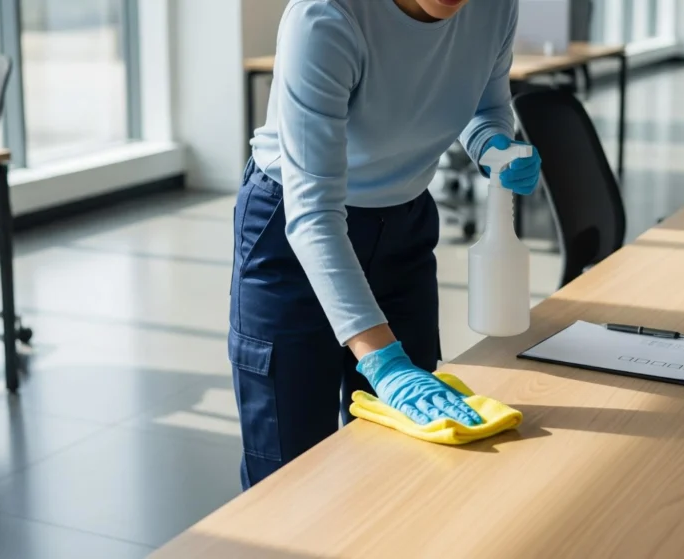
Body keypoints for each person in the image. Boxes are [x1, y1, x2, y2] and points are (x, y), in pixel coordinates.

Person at [229, 0, 541, 489]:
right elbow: (313, 213)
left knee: (406, 460)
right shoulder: (327, 18)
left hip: (404, 225)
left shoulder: (495, 6)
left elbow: (486, 105)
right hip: (293, 231)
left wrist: (491, 144)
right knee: (289, 473)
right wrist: (384, 362)